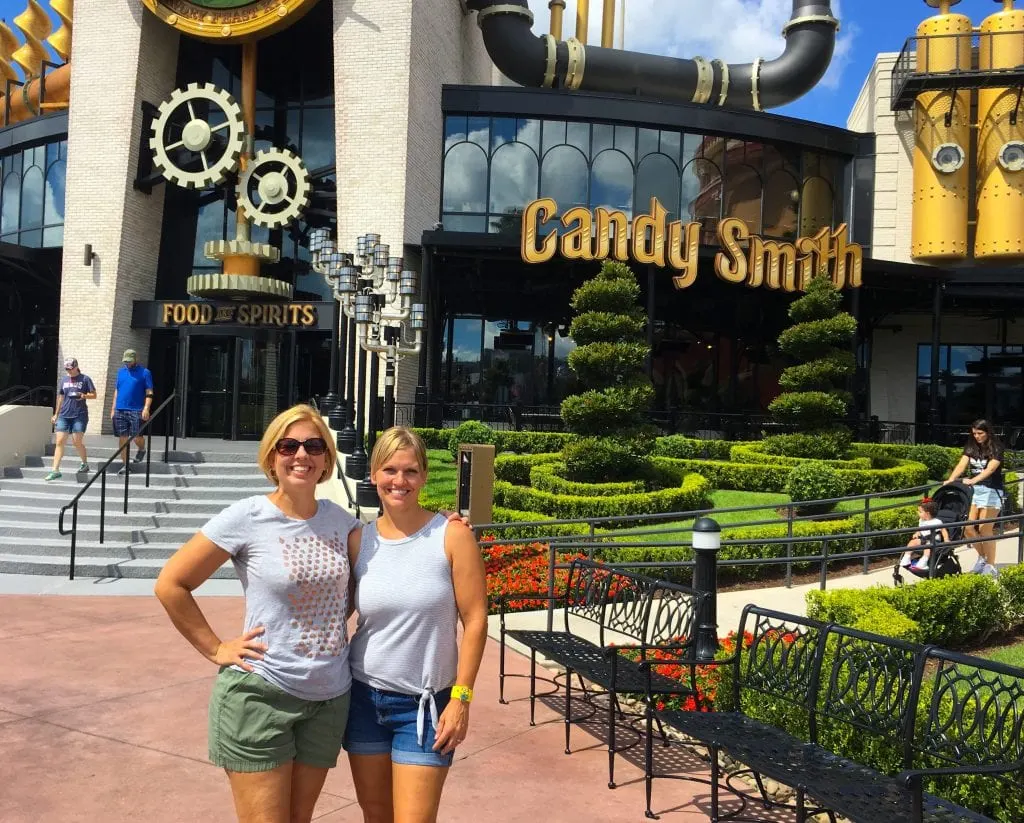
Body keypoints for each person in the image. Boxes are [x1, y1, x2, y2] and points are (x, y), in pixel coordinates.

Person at [155, 404, 358, 823]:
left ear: (326, 460)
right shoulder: (248, 516)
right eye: (289, 445)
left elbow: (390, 555)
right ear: (272, 456)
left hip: (328, 697)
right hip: (262, 694)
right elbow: (171, 584)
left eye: (314, 446)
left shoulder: (344, 522)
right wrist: (215, 648)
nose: (301, 455)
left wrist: (444, 527)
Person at [343, 427, 488, 823]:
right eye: (389, 469)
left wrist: (462, 699)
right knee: (376, 814)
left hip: (426, 705)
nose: (399, 481)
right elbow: (337, 611)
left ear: (423, 476)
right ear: (373, 474)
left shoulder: (452, 535)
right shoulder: (359, 541)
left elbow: (475, 620)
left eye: (410, 471)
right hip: (363, 698)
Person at [947, 419, 1005, 578]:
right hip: (976, 492)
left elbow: (991, 468)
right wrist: (951, 479)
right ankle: (982, 557)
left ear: (987, 432)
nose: (977, 436)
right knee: (968, 528)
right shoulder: (971, 446)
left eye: (980, 433)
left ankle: (991, 566)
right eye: (974, 433)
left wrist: (974, 479)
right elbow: (961, 465)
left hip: (992, 490)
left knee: (985, 529)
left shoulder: (996, 447)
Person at [45, 357, 97, 481]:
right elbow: (61, 397)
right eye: (67, 369)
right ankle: (55, 470)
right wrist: (56, 414)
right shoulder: (64, 380)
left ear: (76, 367)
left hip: (79, 415)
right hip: (64, 415)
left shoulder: (85, 379)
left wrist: (84, 396)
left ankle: (84, 463)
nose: (69, 371)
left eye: (70, 369)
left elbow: (94, 394)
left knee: (76, 442)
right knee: (59, 442)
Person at [110, 348, 153, 475]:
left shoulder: (145, 373)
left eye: (129, 361)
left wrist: (146, 408)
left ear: (135, 359)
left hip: (136, 410)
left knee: (136, 437)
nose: (127, 363)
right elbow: (117, 390)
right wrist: (113, 408)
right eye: (125, 361)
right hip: (120, 409)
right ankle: (125, 465)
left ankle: (142, 449)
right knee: (123, 438)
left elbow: (149, 392)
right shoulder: (121, 372)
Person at [899, 498, 950, 573]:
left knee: (928, 547)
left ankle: (923, 562)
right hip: (923, 539)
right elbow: (920, 529)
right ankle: (906, 558)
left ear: (927, 513)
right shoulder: (921, 520)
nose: (918, 513)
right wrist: (917, 533)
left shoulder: (937, 522)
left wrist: (946, 539)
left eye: (920, 512)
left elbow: (943, 530)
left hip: (934, 541)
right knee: (912, 542)